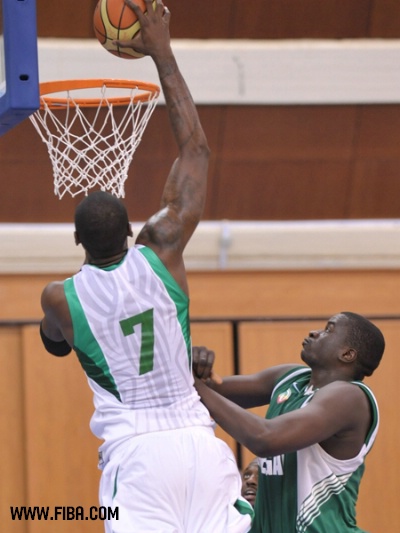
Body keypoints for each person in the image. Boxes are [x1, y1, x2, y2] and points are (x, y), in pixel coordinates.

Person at [39, 1, 252, 532]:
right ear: (133, 230)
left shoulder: (59, 297)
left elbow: (55, 340)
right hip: (200, 443)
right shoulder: (162, 248)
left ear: (76, 239)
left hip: (133, 454)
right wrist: (162, 52)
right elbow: (196, 152)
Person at [193, 312, 385, 532]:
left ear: (347, 354)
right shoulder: (291, 378)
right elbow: (207, 391)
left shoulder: (350, 397)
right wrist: (193, 365)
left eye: (328, 330)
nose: (314, 332)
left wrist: (197, 386)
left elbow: (264, 439)